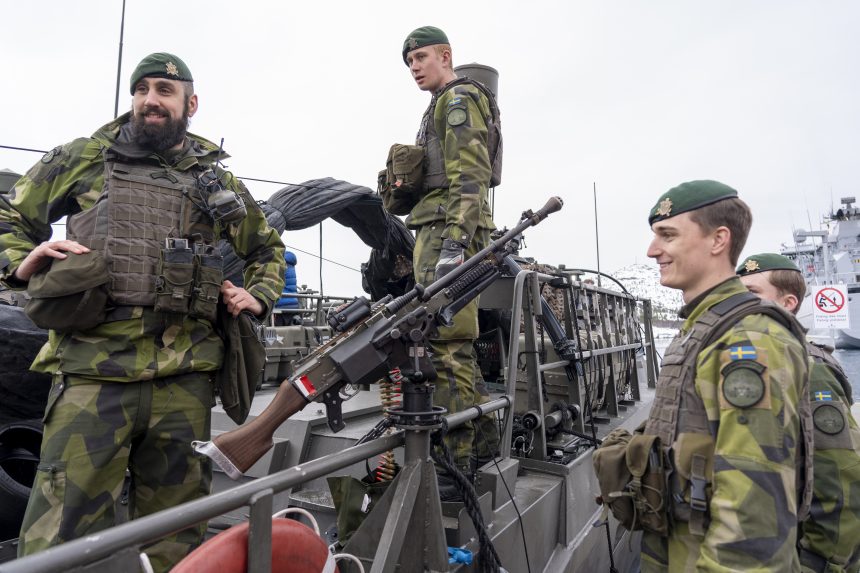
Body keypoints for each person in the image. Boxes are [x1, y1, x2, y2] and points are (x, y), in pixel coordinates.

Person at [0, 53, 285, 571]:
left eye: (164, 90)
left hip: (185, 378)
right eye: (141, 90)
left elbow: (265, 247)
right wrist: (21, 262)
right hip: (94, 371)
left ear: (190, 104)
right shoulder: (86, 157)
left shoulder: (216, 183)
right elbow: (10, 211)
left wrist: (258, 295)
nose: (150, 100)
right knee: (60, 530)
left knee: (178, 532)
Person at [638, 180, 812, 571]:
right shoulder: (707, 328)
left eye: (667, 235)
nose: (652, 250)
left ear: (718, 240)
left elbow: (753, 517)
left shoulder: (750, 339)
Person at [399, 26, 502, 496]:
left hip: (447, 231)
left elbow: (470, 177)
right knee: (453, 341)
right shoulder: (441, 103)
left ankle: (454, 467)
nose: (415, 67)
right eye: (409, 61)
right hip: (440, 229)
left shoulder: (456, 99)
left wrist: (454, 247)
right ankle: (479, 447)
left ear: (445, 55)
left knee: (445, 345)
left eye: (421, 57)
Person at [737, 253, 860, 572]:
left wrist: (820, 564)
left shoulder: (808, 369)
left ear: (788, 302)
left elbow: (840, 483)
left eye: (751, 294)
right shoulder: (756, 364)